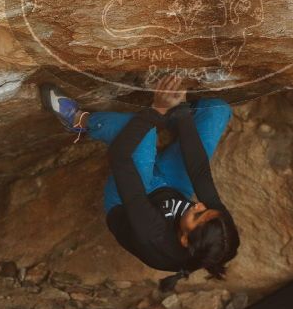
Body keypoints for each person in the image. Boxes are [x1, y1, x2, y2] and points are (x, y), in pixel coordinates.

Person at [40, 75, 239, 291]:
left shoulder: (153, 235)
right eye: (207, 209)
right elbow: (199, 172)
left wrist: (155, 111)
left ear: (184, 240)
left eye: (197, 215)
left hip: (128, 200)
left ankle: (79, 121)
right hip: (172, 187)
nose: (199, 205)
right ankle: (169, 113)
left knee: (142, 135)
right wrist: (179, 109)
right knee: (216, 110)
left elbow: (120, 156)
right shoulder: (218, 228)